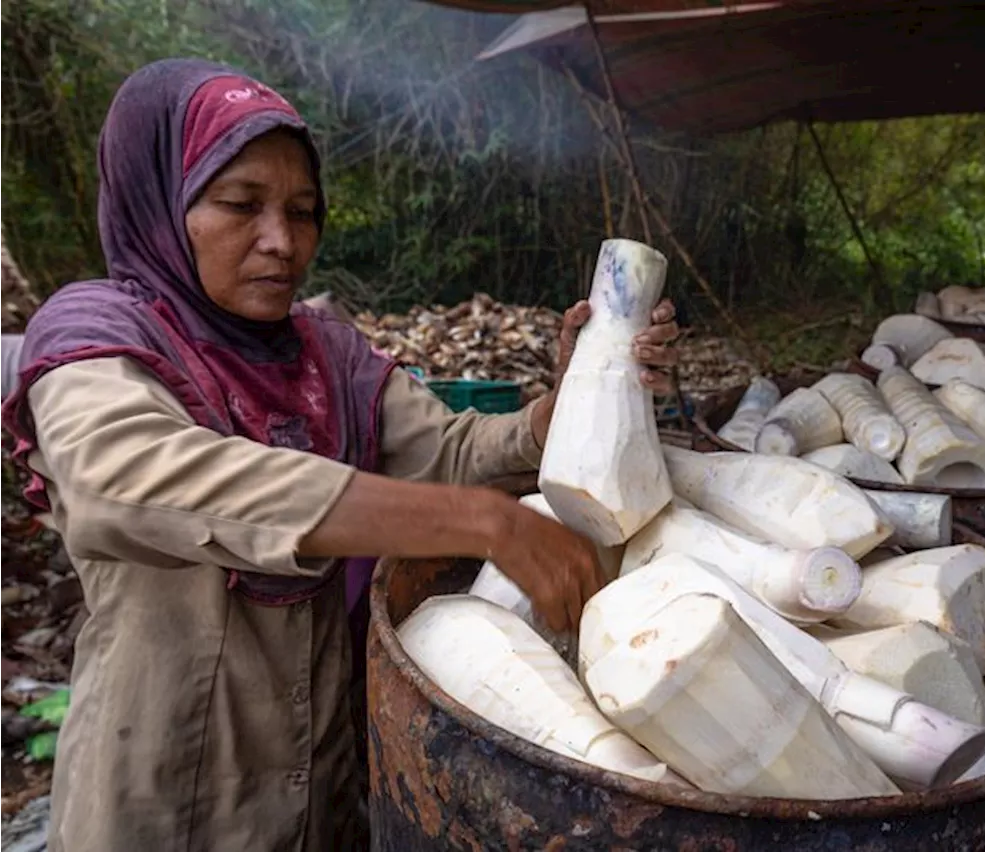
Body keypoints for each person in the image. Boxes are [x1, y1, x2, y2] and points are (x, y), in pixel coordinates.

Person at [0, 58, 681, 852]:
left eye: (303, 211)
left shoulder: (327, 358)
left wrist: (567, 410)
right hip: (164, 799)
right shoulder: (98, 340)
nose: (281, 242)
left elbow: (455, 450)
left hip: (323, 790)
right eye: (239, 205)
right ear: (160, 201)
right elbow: (127, 478)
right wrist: (482, 524)